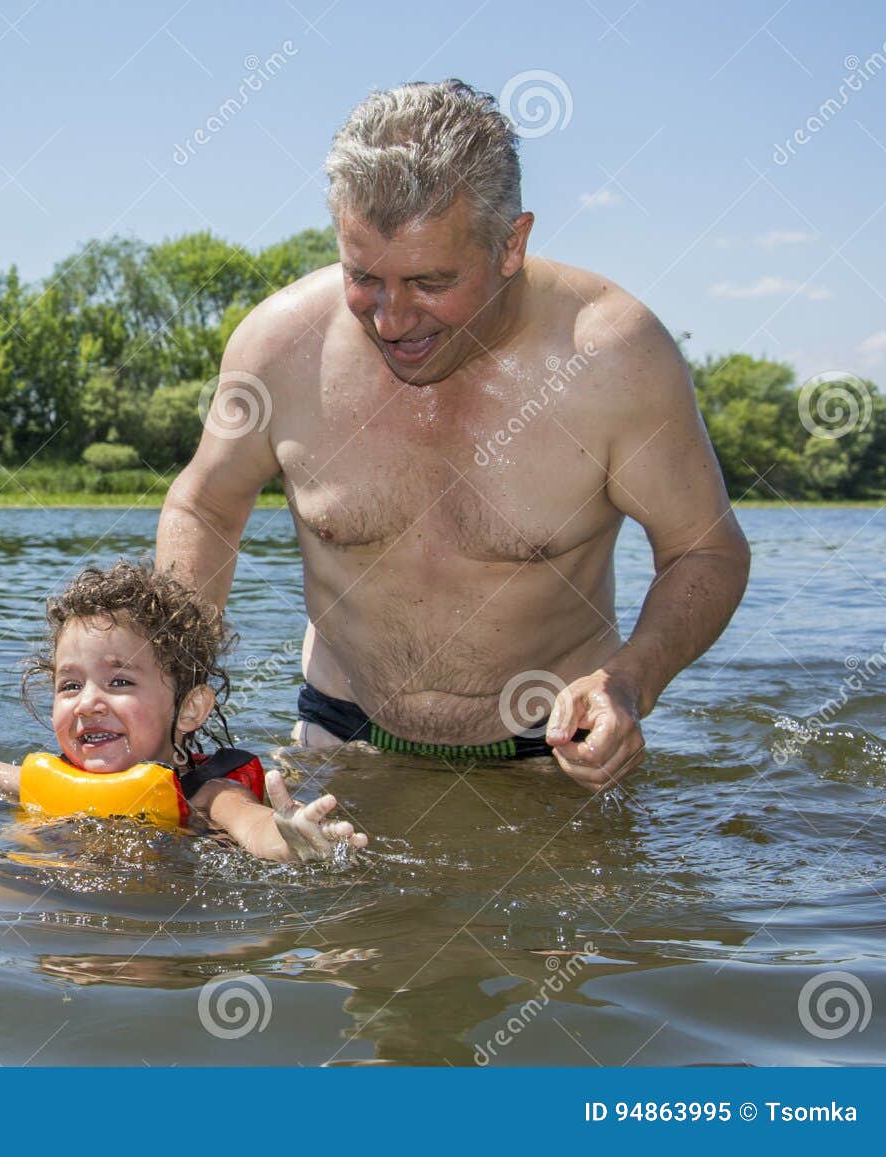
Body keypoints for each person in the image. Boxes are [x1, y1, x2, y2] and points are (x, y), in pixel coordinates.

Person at [156, 80, 751, 792]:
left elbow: (705, 549)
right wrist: (171, 678)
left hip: (552, 753)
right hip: (339, 739)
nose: (391, 319)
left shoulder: (617, 358)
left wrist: (630, 681)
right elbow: (206, 505)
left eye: (430, 282)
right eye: (363, 277)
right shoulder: (279, 347)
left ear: (512, 245)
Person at [0, 561, 367, 863]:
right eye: (70, 685)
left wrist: (290, 838)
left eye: (121, 681)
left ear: (190, 708)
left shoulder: (206, 790)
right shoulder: (46, 778)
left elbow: (252, 826)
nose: (88, 703)